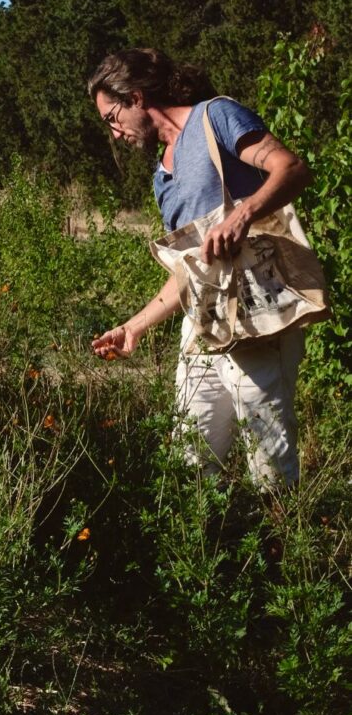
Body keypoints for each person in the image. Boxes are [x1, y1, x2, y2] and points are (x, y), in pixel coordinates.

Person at [88, 48, 312, 489]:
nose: (114, 133)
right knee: (191, 460)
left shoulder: (216, 117)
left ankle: (289, 551)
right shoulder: (162, 178)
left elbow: (292, 168)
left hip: (257, 316)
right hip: (203, 325)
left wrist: (242, 213)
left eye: (111, 117)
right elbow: (189, 273)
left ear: (135, 98)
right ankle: (214, 550)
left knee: (270, 468)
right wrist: (134, 327)